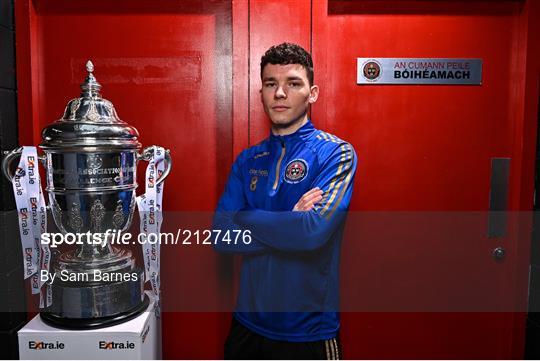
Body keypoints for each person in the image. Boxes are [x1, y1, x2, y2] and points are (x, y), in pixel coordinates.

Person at [213, 42, 357, 359]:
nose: (280, 93)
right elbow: (220, 236)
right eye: (270, 84)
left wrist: (246, 216)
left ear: (312, 92)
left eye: (293, 83)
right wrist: (290, 219)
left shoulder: (336, 153)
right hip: (246, 327)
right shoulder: (247, 160)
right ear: (261, 92)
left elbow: (311, 233)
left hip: (307, 332)